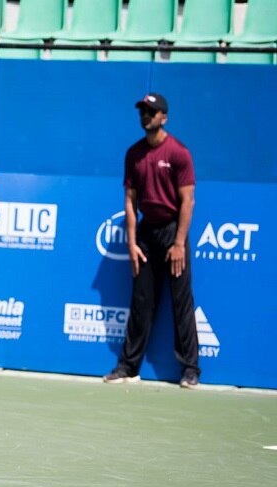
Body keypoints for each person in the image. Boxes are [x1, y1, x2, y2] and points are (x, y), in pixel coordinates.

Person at [104, 92, 200, 389]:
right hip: (145, 235)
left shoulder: (178, 153)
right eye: (143, 111)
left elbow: (188, 202)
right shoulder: (134, 154)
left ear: (163, 117)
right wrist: (132, 244)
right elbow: (130, 203)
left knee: (181, 302)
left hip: (173, 234)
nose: (146, 116)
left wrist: (179, 243)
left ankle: (191, 369)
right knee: (141, 301)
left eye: (151, 111)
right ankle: (128, 367)